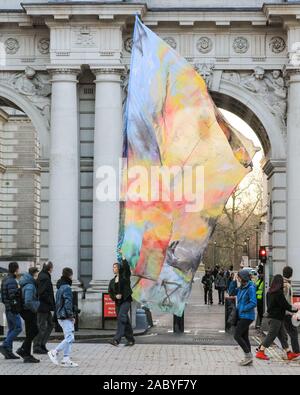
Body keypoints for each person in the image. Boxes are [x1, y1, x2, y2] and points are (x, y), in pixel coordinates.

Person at [256, 274, 299, 361]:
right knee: (271, 335)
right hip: (276, 318)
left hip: (273, 317)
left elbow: (269, 305)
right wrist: (295, 309)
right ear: (279, 283)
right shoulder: (279, 293)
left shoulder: (269, 292)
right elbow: (285, 305)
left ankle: (288, 353)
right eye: (282, 282)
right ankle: (261, 351)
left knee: (282, 336)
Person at [48, 268, 78, 368]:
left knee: (68, 337)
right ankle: (54, 352)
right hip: (65, 316)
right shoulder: (67, 288)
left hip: (60, 315)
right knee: (70, 337)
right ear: (70, 275)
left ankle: (66, 359)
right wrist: (71, 316)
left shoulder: (60, 287)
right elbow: (68, 302)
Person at [108, 260, 135, 347]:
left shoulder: (125, 277)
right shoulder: (112, 281)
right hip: (118, 302)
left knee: (121, 317)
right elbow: (110, 292)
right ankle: (131, 340)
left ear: (119, 268)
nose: (113, 269)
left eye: (115, 267)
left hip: (126, 301)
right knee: (125, 320)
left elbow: (126, 269)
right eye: (113, 267)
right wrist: (115, 297)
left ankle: (116, 339)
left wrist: (123, 259)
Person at [233, 270, 257, 366]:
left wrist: (243, 309)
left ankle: (248, 356)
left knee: (237, 335)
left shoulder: (250, 288)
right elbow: (231, 291)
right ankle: (248, 358)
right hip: (242, 315)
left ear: (243, 277)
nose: (238, 278)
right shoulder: (242, 288)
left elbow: (253, 302)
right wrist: (233, 280)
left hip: (247, 316)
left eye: (238, 277)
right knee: (244, 336)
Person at [0, 262, 22, 360]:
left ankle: (8, 351)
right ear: (16, 269)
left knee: (12, 329)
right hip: (12, 309)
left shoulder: (5, 279)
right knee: (18, 328)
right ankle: (5, 344)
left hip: (7, 307)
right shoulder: (12, 281)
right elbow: (13, 296)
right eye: (18, 269)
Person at [17, 267, 40, 363]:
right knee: (34, 331)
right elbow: (28, 301)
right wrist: (35, 308)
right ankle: (23, 350)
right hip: (29, 311)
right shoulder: (30, 285)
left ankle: (26, 353)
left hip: (26, 311)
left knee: (30, 332)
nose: (38, 277)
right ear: (34, 274)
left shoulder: (27, 283)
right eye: (37, 275)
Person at [33, 261, 55, 354]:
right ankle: (37, 346)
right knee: (42, 326)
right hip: (43, 306)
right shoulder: (44, 277)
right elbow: (42, 293)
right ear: (50, 268)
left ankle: (42, 344)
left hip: (45, 306)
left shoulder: (44, 276)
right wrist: (50, 301)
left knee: (50, 324)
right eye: (52, 267)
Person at [283, 266, 300, 359]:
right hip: (287, 313)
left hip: (283, 312)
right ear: (291, 274)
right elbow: (286, 300)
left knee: (279, 332)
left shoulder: (282, 283)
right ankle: (296, 352)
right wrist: (291, 310)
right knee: (293, 332)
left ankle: (262, 347)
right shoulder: (287, 285)